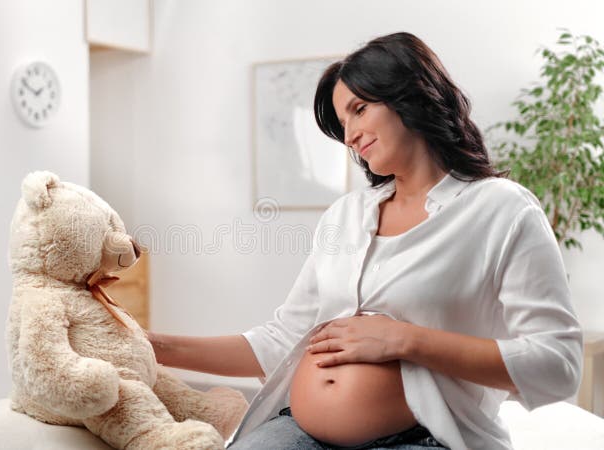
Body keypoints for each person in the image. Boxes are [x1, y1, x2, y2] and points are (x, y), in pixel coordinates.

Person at [148, 32, 583, 450]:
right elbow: (283, 339)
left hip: (428, 437)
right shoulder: (347, 215)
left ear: (412, 94)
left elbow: (558, 364)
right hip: (299, 429)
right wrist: (155, 348)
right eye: (342, 123)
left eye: (358, 110)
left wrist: (405, 340)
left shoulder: (501, 210)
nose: (350, 135)